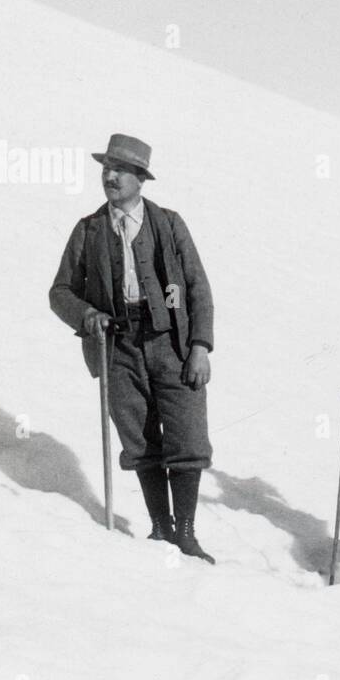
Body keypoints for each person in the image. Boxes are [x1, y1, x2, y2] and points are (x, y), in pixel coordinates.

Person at [49, 134, 217, 562]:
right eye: (107, 168)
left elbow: (197, 288)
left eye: (120, 170)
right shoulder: (88, 230)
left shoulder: (169, 224)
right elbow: (60, 291)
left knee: (187, 436)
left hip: (172, 344)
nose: (110, 176)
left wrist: (200, 346)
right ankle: (160, 528)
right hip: (118, 347)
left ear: (141, 179)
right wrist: (87, 314)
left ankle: (186, 534)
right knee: (138, 439)